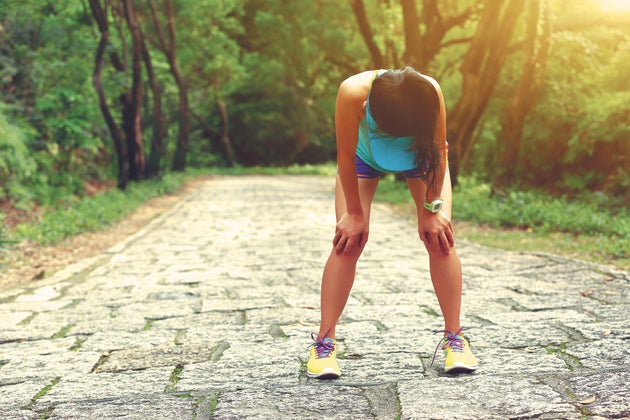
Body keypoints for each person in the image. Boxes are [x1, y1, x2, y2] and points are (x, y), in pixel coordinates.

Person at [306, 67, 477, 379]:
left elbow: (439, 150)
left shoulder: (430, 91)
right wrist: (354, 214)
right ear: (368, 109)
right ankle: (324, 343)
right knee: (348, 241)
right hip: (363, 156)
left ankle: (455, 337)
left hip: (420, 156)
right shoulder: (352, 92)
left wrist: (432, 209)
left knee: (439, 237)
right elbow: (345, 157)